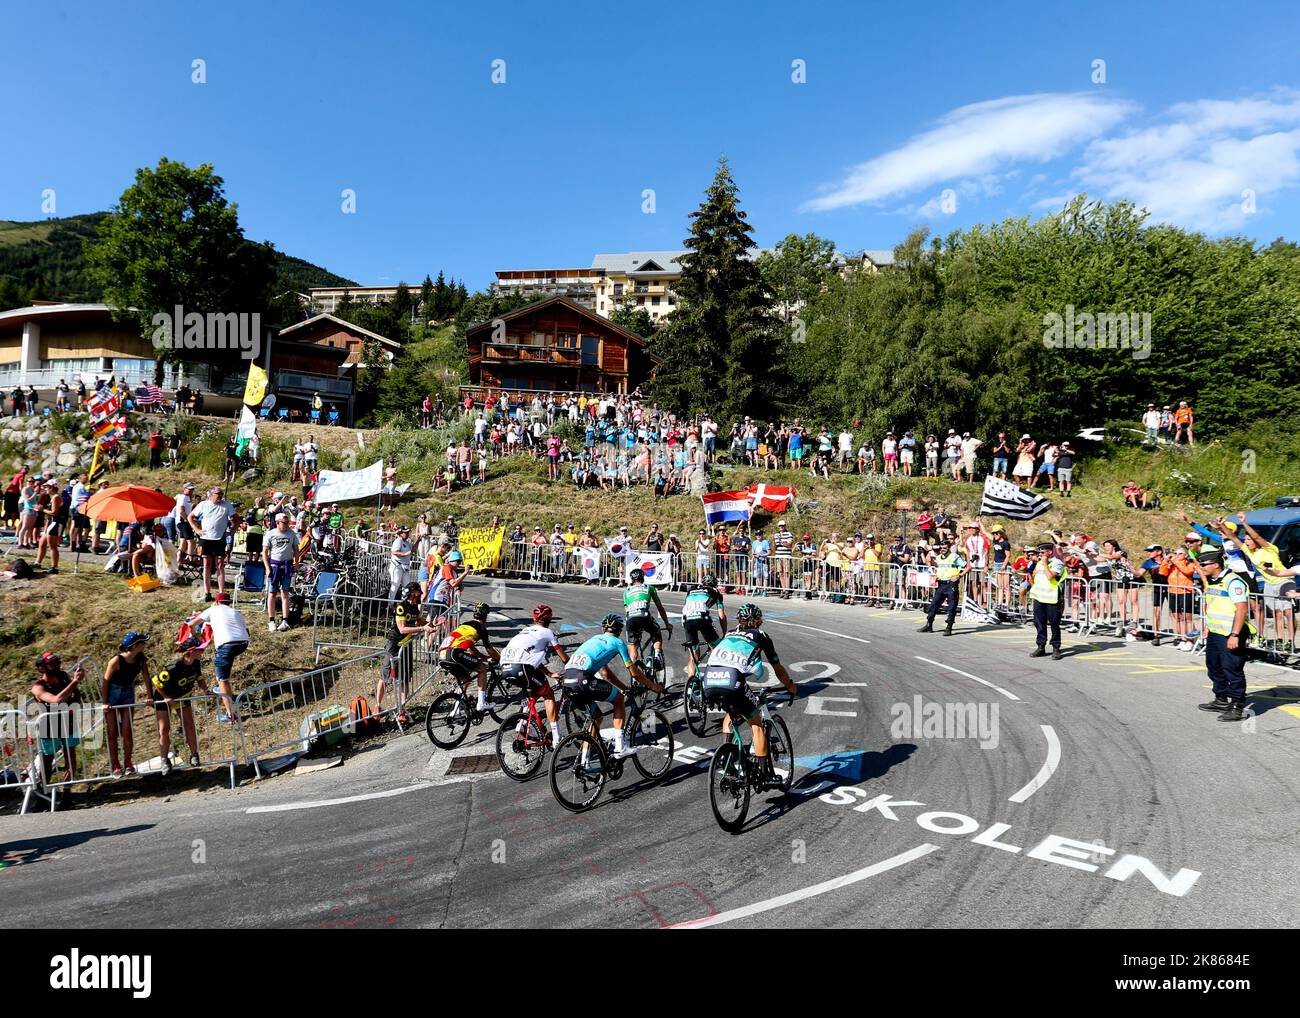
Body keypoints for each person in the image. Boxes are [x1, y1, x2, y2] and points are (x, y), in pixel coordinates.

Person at [699, 603, 797, 786]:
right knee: (756, 723)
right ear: (757, 621)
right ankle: (763, 775)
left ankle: (727, 759)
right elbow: (778, 669)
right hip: (732, 680)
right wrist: (790, 685)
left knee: (730, 716)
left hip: (709, 678)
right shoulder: (761, 636)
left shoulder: (729, 634)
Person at [561, 613, 661, 758]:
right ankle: (620, 747)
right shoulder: (618, 642)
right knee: (619, 699)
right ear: (619, 631)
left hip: (567, 681)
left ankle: (584, 761)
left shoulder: (593, 639)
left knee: (596, 717)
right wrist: (653, 686)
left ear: (603, 628)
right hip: (582, 680)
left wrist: (624, 687)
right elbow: (634, 673)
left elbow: (605, 673)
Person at [498, 604, 570, 747]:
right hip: (522, 667)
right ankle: (557, 738)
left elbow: (531, 659)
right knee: (548, 694)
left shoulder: (524, 631)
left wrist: (549, 673)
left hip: (505, 667)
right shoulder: (548, 632)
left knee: (534, 692)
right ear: (549, 619)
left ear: (533, 618)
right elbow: (564, 658)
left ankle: (522, 722)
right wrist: (575, 667)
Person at [1193, 549, 1251, 721]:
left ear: (1216, 565)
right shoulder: (1213, 580)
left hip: (1231, 633)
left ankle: (1237, 705)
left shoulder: (1232, 581)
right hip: (1215, 632)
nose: (1200, 567)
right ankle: (1221, 698)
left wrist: (1235, 634)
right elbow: (1214, 606)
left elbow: (1241, 608)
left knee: (1232, 669)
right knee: (1214, 666)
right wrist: (1208, 627)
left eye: (1203, 565)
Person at [382, 583, 440, 724]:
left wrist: (434, 623)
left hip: (406, 646)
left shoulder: (414, 607)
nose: (419, 596)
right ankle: (378, 705)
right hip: (394, 643)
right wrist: (422, 628)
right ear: (410, 594)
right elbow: (402, 629)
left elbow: (423, 622)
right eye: (416, 593)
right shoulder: (401, 606)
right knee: (385, 677)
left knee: (406, 678)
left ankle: (401, 709)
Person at [149, 637, 207, 775]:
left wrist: (206, 689)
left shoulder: (196, 663)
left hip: (183, 695)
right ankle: (164, 760)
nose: (203, 651)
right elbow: (156, 682)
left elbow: (199, 678)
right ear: (190, 651)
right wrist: (166, 697)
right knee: (164, 729)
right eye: (200, 649)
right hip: (164, 698)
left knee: (189, 725)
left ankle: (194, 755)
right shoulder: (174, 666)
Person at [435, 601, 499, 716]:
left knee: (465, 679)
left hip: (442, 654)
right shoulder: (481, 629)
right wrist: (499, 658)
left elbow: (471, 649)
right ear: (485, 616)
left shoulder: (464, 625)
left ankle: (455, 712)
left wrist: (484, 657)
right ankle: (481, 703)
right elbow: (490, 650)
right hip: (454, 653)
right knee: (482, 669)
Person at [31, 652, 84, 786]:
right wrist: (75, 681)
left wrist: (76, 704)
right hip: (49, 725)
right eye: (52, 664)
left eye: (58, 663)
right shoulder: (38, 686)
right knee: (47, 760)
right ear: (42, 668)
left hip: (68, 721)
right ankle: (44, 790)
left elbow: (75, 693)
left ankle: (67, 792)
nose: (56, 666)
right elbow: (55, 700)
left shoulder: (64, 676)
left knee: (70, 758)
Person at [101, 633, 150, 778]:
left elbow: (146, 676)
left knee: (127, 730)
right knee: (112, 731)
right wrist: (105, 702)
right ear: (134, 646)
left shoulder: (140, 659)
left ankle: (128, 762)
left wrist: (149, 695)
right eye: (142, 642)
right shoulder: (116, 660)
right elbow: (105, 682)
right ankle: (115, 765)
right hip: (112, 693)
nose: (144, 645)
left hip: (128, 691)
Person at [199, 593, 248, 721]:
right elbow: (246, 631)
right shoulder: (235, 612)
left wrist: (196, 637)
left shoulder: (213, 609)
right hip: (243, 643)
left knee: (223, 679)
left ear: (217, 602)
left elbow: (192, 623)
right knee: (222, 670)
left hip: (226, 646)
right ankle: (226, 693)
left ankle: (231, 715)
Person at [623, 567, 673, 671]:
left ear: (632, 579)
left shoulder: (626, 592)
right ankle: (657, 656)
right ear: (643, 578)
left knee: (632, 646)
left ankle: (634, 669)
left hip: (630, 619)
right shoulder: (649, 588)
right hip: (644, 616)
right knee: (657, 633)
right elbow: (660, 608)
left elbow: (626, 610)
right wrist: (667, 624)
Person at [681, 572, 729, 678]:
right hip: (702, 618)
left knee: (693, 657)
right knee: (717, 649)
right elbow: (721, 616)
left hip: (687, 619)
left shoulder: (691, 591)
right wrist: (724, 633)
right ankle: (717, 677)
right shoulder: (715, 592)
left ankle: (690, 686)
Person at [189, 487, 234, 600]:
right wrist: (196, 529)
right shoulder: (204, 504)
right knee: (207, 564)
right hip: (206, 538)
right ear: (211, 494)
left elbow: (236, 519)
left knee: (220, 565)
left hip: (219, 538)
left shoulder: (227, 505)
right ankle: (207, 592)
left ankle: (221, 593)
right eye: (218, 494)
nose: (220, 496)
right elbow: (190, 517)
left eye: (221, 494)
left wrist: (232, 531)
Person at [918, 538, 968, 635]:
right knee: (933, 605)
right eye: (941, 548)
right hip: (941, 584)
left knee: (951, 607)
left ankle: (949, 627)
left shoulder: (954, 556)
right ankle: (929, 625)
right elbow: (936, 566)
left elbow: (967, 566)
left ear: (949, 548)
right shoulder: (939, 557)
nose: (942, 549)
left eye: (944, 548)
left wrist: (959, 576)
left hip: (951, 584)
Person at [1028, 542, 1066, 659]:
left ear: (1050, 552)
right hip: (1039, 597)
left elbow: (1050, 576)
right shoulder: (1039, 562)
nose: (1040, 554)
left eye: (1043, 552)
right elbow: (1034, 575)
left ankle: (1056, 648)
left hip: (1051, 598)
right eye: (1039, 552)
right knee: (1039, 623)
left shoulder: (1057, 563)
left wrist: (1044, 563)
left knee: (1054, 624)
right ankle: (1041, 646)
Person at [389, 525, 414, 600]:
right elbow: (394, 552)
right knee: (395, 584)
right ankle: (390, 603)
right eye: (405, 533)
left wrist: (418, 541)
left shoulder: (407, 542)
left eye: (408, 532)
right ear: (401, 533)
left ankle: (404, 602)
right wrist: (405, 554)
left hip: (405, 566)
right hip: (397, 566)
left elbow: (412, 550)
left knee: (407, 585)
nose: (407, 534)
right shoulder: (398, 541)